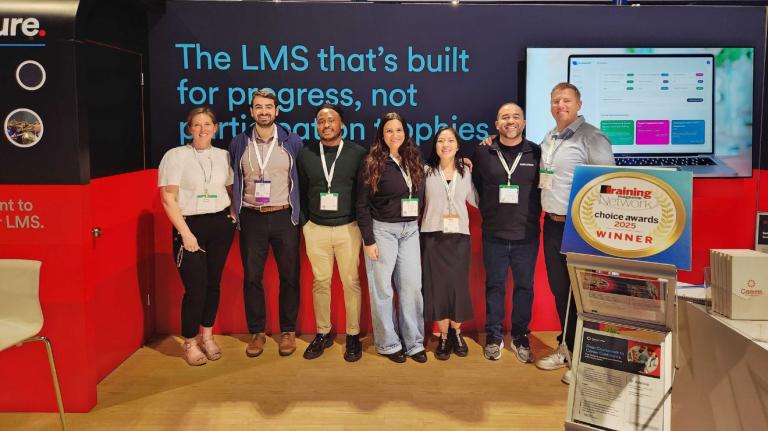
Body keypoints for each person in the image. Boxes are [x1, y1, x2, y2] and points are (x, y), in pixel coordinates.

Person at [534, 82, 614, 384]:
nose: (560, 105)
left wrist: (595, 228)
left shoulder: (592, 137)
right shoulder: (550, 136)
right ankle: (567, 347)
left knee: (584, 294)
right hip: (552, 224)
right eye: (555, 100)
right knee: (560, 290)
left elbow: (608, 184)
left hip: (580, 227)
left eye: (566, 100)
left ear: (579, 103)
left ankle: (588, 360)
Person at [228, 89, 304, 358]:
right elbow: (233, 179)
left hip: (285, 216)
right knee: (252, 278)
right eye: (258, 107)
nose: (263, 112)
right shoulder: (239, 143)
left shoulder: (292, 142)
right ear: (251, 111)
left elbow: (300, 179)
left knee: (290, 277)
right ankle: (257, 331)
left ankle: (287, 331)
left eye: (268, 107)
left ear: (276, 110)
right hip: (251, 217)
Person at [158, 107, 236, 366]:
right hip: (190, 226)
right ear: (188, 129)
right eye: (197, 125)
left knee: (213, 284)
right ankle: (190, 342)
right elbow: (168, 199)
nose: (203, 129)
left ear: (215, 128)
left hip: (220, 225)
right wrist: (185, 232)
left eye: (207, 124)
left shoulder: (224, 155)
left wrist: (233, 213)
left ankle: (208, 335)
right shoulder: (176, 156)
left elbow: (229, 187)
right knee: (195, 289)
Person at [297, 104, 368, 361]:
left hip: (348, 228)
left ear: (341, 124)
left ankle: (352, 334)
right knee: (321, 282)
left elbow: (363, 192)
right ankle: (323, 332)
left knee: (351, 282)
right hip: (316, 229)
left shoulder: (357, 153)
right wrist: (306, 223)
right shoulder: (305, 154)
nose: (326, 125)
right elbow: (302, 190)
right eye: (321, 121)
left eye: (331, 121)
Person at [473, 103, 542, 363]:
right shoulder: (484, 152)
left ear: (523, 122)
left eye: (515, 117)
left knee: (525, 287)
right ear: (496, 123)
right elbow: (478, 187)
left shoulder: (537, 152)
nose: (510, 121)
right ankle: (493, 335)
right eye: (505, 117)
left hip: (527, 233)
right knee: (495, 286)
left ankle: (521, 335)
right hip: (494, 233)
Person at [357, 112, 427, 363]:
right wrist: (369, 240)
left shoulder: (414, 158)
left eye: (398, 130)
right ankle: (388, 343)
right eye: (389, 131)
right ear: (381, 134)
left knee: (411, 288)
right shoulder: (372, 161)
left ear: (405, 132)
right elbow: (361, 204)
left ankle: (414, 342)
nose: (394, 135)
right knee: (383, 291)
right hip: (382, 231)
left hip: (410, 230)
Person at [421, 127, 478, 360]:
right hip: (433, 238)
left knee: (458, 287)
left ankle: (457, 332)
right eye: (441, 140)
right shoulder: (425, 172)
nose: (446, 144)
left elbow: (475, 199)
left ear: (457, 145)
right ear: (435, 145)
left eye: (450, 140)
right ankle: (443, 336)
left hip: (459, 238)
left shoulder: (466, 172)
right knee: (437, 289)